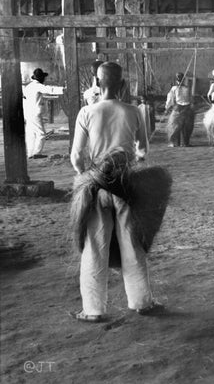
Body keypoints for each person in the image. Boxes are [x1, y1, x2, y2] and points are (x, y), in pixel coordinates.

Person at [70, 61, 168, 322]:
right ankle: (142, 302)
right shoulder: (133, 111)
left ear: (97, 83)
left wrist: (89, 176)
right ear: (123, 84)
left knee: (95, 245)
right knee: (131, 242)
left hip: (96, 187)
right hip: (126, 186)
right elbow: (143, 151)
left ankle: (93, 310)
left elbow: (76, 157)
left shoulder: (86, 113)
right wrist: (128, 164)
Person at [23, 68, 64, 159]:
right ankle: (37, 153)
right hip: (34, 113)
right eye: (43, 78)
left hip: (28, 113)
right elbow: (50, 89)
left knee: (31, 134)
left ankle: (30, 153)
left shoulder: (28, 86)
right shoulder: (37, 86)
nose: (44, 80)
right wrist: (63, 89)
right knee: (41, 134)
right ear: (40, 78)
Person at [165, 72, 194, 147]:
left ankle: (177, 143)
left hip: (179, 108)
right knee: (185, 126)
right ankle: (184, 142)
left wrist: (167, 107)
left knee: (175, 126)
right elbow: (191, 99)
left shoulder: (175, 88)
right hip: (186, 108)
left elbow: (170, 99)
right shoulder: (186, 88)